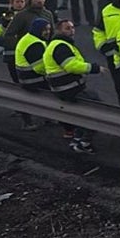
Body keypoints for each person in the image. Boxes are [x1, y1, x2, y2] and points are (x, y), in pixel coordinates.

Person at [43, 18, 103, 153]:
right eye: (67, 28)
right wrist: (94, 68)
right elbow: (71, 66)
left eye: (72, 27)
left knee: (82, 112)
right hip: (69, 88)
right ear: (59, 30)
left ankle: (77, 139)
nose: (72, 30)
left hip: (65, 88)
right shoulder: (60, 46)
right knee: (97, 110)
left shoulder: (58, 44)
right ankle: (85, 143)